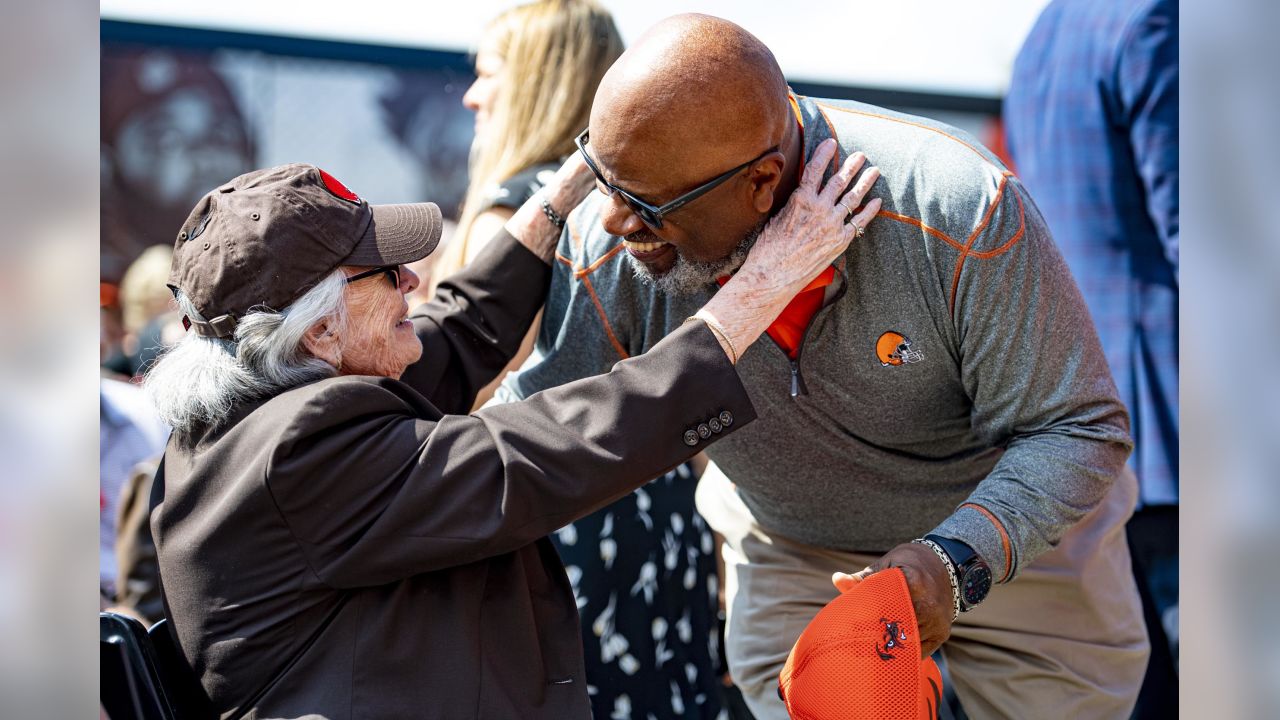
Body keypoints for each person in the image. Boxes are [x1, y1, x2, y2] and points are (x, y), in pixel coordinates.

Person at [496, 14, 1146, 719]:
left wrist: (952, 563)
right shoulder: (616, 241)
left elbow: (1078, 427)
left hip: (1009, 543)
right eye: (604, 177)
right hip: (796, 552)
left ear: (762, 180)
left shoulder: (953, 211)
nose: (617, 221)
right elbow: (538, 440)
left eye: (647, 205)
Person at [143, 146, 875, 718]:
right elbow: (546, 451)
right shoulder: (306, 451)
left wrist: (560, 196)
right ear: (319, 324)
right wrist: (764, 285)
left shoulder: (257, 416)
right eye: (385, 272)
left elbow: (456, 330)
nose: (412, 283)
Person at [1004, 0, 1179, 715]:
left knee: (1135, 677)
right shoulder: (1154, 21)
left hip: (1079, 400)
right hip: (1176, 404)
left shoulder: (1042, 36)